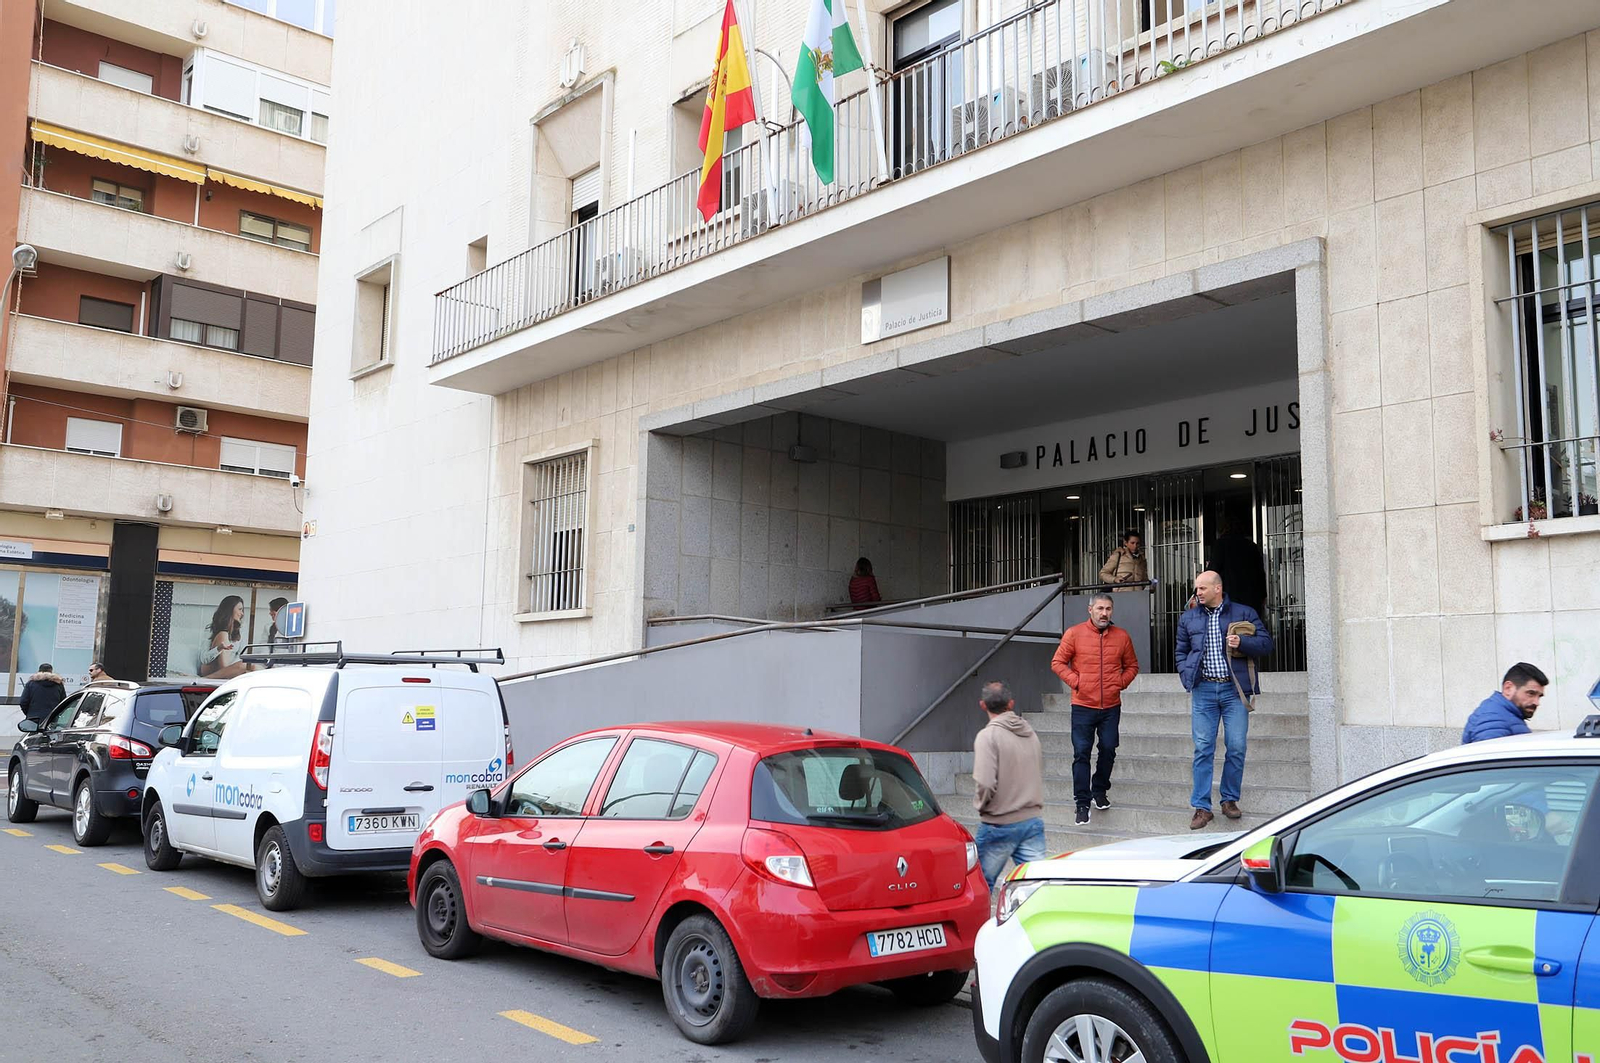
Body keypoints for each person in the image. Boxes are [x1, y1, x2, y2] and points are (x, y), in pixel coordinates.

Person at [1175, 570, 1273, 830]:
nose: (1198, 592)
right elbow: (1181, 651)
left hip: (1235, 690)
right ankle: (1202, 807)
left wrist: (1242, 642)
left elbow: (1266, 644)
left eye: (1203, 588)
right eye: (1197, 588)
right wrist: (1186, 675)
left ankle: (1229, 799)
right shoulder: (1189, 617)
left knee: (1237, 746)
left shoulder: (1244, 612)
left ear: (1218, 588)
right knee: (1203, 748)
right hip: (1204, 690)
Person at [1050, 593, 1139, 825]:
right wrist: (1077, 682)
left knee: (1108, 749)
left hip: (1111, 706)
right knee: (1081, 752)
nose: (1104, 613)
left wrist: (1120, 683)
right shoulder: (1074, 633)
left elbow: (1132, 666)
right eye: (1100, 608)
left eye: (1108, 609)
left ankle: (1099, 790)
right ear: (1090, 610)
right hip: (1082, 705)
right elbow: (1057, 662)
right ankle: (1082, 802)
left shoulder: (1121, 636)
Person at [971, 681, 1046, 889]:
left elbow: (985, 782)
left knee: (980, 888)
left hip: (998, 823)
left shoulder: (987, 736)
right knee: (1037, 888)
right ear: (1011, 703)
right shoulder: (1030, 733)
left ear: (982, 705)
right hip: (1032, 820)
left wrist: (981, 805)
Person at [1461, 662, 1548, 743]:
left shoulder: (1505, 715)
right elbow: (1491, 758)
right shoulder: (1493, 719)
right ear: (1508, 688)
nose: (1537, 702)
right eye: (1531, 693)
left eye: (1539, 696)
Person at [1207, 508, 1267, 618]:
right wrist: (1263, 596)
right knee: (1249, 629)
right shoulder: (1252, 546)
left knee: (1230, 631)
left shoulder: (1220, 545)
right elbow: (1260, 574)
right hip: (1251, 599)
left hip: (1229, 598)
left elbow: (1213, 572)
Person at [198, 595, 252, 680]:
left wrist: (233, 667)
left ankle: (227, 673)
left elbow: (242, 655)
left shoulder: (241, 630)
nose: (242, 614)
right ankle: (208, 678)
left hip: (230, 667)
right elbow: (204, 659)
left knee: (254, 667)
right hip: (211, 668)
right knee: (223, 635)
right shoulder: (211, 628)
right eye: (240, 609)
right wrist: (218, 649)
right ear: (230, 609)